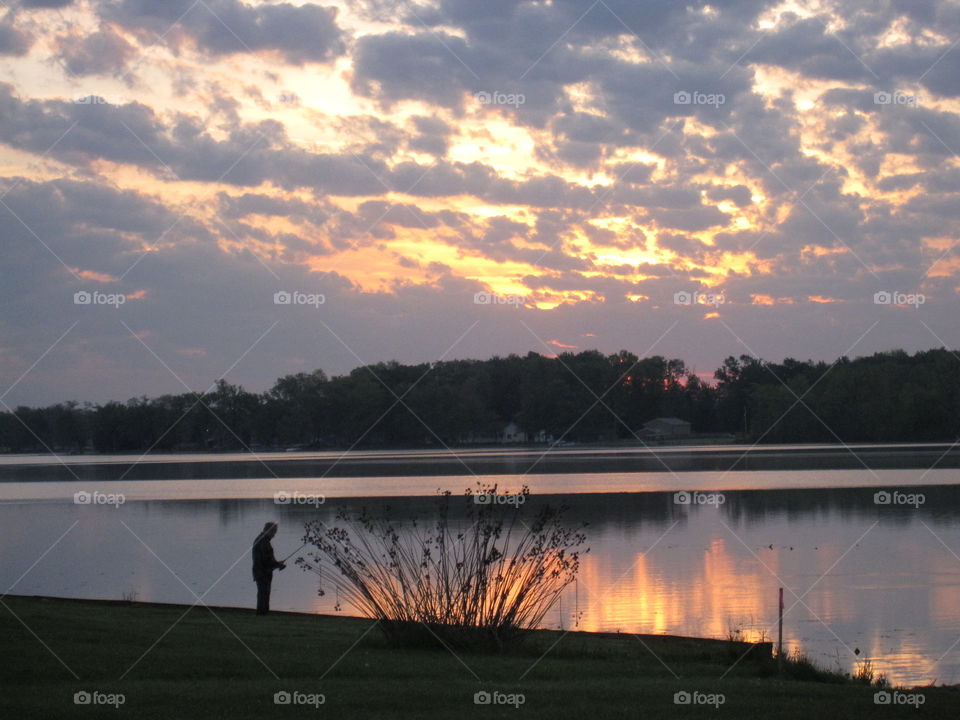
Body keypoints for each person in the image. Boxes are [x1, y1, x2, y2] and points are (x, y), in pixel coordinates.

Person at [252, 521, 286, 615]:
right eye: (273, 532)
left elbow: (267, 559)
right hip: (262, 572)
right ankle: (262, 614)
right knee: (263, 594)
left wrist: (277, 563)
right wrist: (277, 564)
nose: (274, 535)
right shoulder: (263, 541)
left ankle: (263, 614)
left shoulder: (263, 540)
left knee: (264, 594)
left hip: (262, 572)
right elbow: (266, 560)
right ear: (268, 531)